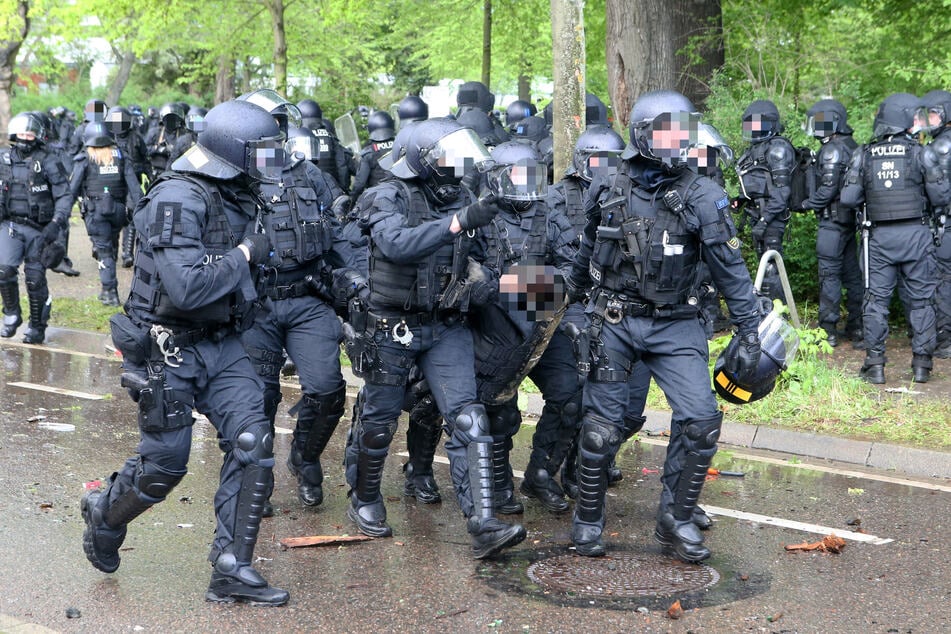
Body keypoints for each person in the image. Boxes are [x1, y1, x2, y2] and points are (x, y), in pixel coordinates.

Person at [80, 99, 290, 606]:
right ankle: (104, 512)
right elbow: (189, 288)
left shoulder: (239, 193)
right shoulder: (177, 198)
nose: (271, 164)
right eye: (261, 154)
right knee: (165, 465)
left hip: (224, 344)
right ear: (229, 152)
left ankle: (231, 567)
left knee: (253, 443)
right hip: (167, 349)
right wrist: (245, 253)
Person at [566, 90, 762, 561]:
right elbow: (585, 249)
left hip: (677, 323)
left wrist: (749, 327)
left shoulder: (704, 194)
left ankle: (675, 518)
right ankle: (588, 518)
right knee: (602, 429)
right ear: (641, 136)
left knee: (700, 420)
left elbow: (729, 269)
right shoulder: (608, 183)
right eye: (665, 132)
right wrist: (567, 303)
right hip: (614, 320)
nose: (677, 142)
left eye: (683, 133)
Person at [345, 117, 526, 558]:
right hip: (391, 325)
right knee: (380, 419)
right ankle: (365, 497)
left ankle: (483, 522)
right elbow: (396, 245)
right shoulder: (386, 194)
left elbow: (482, 253)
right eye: (446, 158)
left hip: (446, 324)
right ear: (421, 162)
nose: (455, 167)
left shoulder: (463, 195)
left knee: (469, 419)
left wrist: (486, 278)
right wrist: (459, 222)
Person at [235, 89, 357, 515]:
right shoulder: (231, 178)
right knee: (258, 398)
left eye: (281, 127)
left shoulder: (309, 174)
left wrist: (358, 280)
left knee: (327, 391)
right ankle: (257, 478)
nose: (278, 134)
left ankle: (305, 458)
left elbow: (342, 234)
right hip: (256, 305)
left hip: (309, 298)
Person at [840, 93, 950, 384]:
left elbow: (848, 198)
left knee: (876, 301)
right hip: (917, 235)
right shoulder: (922, 152)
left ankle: (875, 366)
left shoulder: (863, 153)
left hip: (879, 239)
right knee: (922, 301)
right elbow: (941, 196)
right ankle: (922, 366)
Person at [0, 111, 74, 343]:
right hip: (11, 225)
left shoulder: (49, 160)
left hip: (40, 229)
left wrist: (56, 224)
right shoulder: (5, 159)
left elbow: (64, 195)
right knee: (3, 269)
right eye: (21, 133)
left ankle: (37, 325)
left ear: (38, 135)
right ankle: (11, 314)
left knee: (34, 278)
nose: (24, 137)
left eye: (29, 133)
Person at [798, 99, 864, 348]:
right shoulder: (852, 147)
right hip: (847, 223)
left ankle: (828, 330)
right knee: (852, 276)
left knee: (829, 275)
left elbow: (827, 190)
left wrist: (805, 205)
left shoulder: (832, 150)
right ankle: (857, 326)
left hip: (832, 223)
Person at [68, 121, 142, 305]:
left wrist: (63, 213)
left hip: (96, 211)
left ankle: (110, 292)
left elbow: (72, 188)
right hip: (118, 211)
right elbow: (135, 188)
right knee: (113, 243)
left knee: (104, 252)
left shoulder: (84, 158)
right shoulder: (121, 156)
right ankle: (107, 289)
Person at [735, 99, 796, 303]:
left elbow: (782, 192)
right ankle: (765, 311)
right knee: (763, 262)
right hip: (757, 215)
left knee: (771, 266)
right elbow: (757, 183)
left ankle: (778, 315)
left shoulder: (778, 149)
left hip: (772, 217)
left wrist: (765, 221)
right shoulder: (753, 151)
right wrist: (741, 200)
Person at [920, 89, 951, 359]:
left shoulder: (940, 147)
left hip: (945, 224)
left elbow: (936, 194)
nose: (927, 120)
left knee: (942, 281)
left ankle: (944, 340)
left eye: (931, 114)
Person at [105, 106, 151, 269]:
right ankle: (110, 251)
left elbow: (146, 159)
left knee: (131, 214)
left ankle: (127, 253)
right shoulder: (107, 138)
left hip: (133, 181)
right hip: (113, 182)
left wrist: (150, 179)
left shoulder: (136, 137)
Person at [349, 110, 396, 204]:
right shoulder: (400, 146)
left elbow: (359, 184)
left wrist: (351, 202)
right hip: (403, 197)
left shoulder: (368, 153)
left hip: (378, 200)